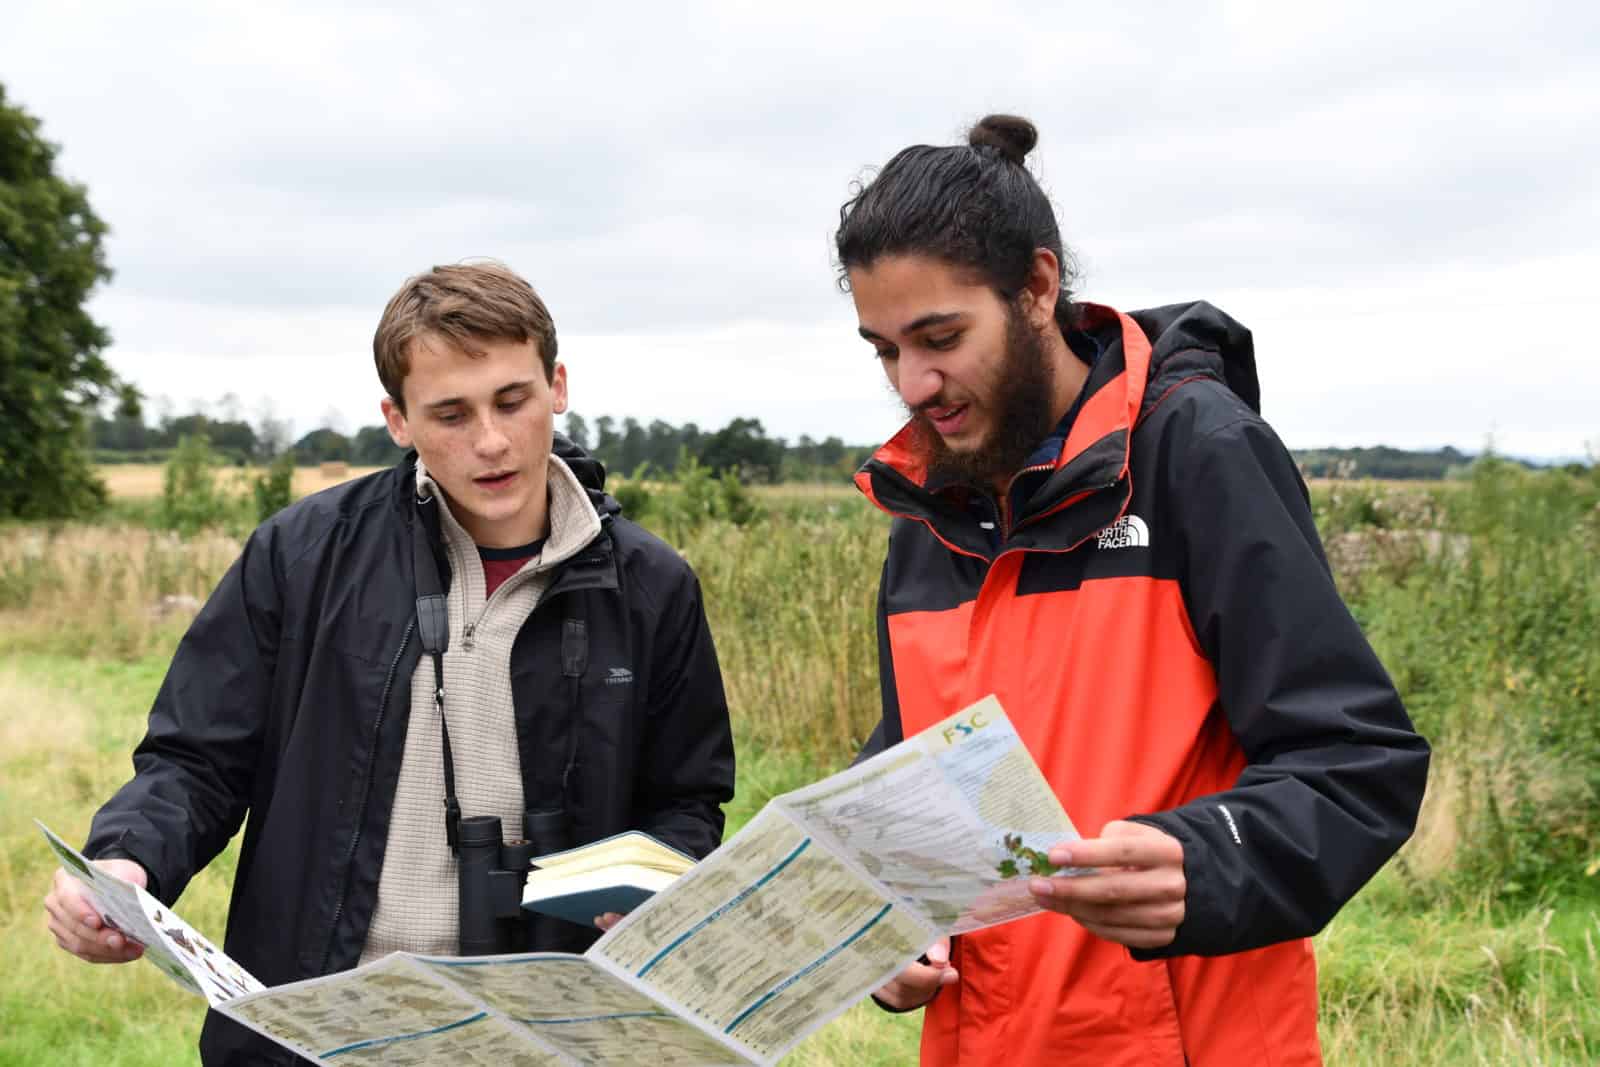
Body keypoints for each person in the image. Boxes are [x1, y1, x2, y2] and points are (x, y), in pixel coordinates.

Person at [840, 115, 1429, 1065]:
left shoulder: (1198, 453)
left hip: (1189, 1040)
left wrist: (1212, 860)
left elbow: (1358, 759)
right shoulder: (924, 507)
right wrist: (888, 924)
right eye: (883, 350)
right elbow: (914, 769)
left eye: (940, 336)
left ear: (1037, 287)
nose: (915, 382)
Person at [43, 262, 735, 1065]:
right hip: (314, 1029)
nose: (491, 440)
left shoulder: (650, 586)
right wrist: (128, 860)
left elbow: (687, 801)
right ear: (397, 420)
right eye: (449, 412)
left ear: (559, 384)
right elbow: (196, 759)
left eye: (513, 400)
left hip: (543, 1038)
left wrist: (658, 880)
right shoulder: (302, 555)